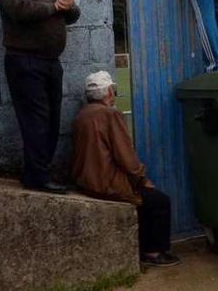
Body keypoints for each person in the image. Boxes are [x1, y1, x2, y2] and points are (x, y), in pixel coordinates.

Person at [0, 0, 80, 193]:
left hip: (51, 63)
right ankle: (38, 178)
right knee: (36, 121)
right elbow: (21, 10)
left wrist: (69, 5)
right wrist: (56, 6)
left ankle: (38, 173)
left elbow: (71, 16)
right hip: (25, 62)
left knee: (52, 120)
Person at [71, 71, 180, 267]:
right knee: (159, 201)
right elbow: (126, 157)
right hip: (105, 183)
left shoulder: (82, 115)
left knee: (147, 200)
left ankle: (146, 249)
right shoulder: (110, 115)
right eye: (113, 90)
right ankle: (153, 253)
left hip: (84, 180)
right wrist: (142, 179)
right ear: (109, 93)